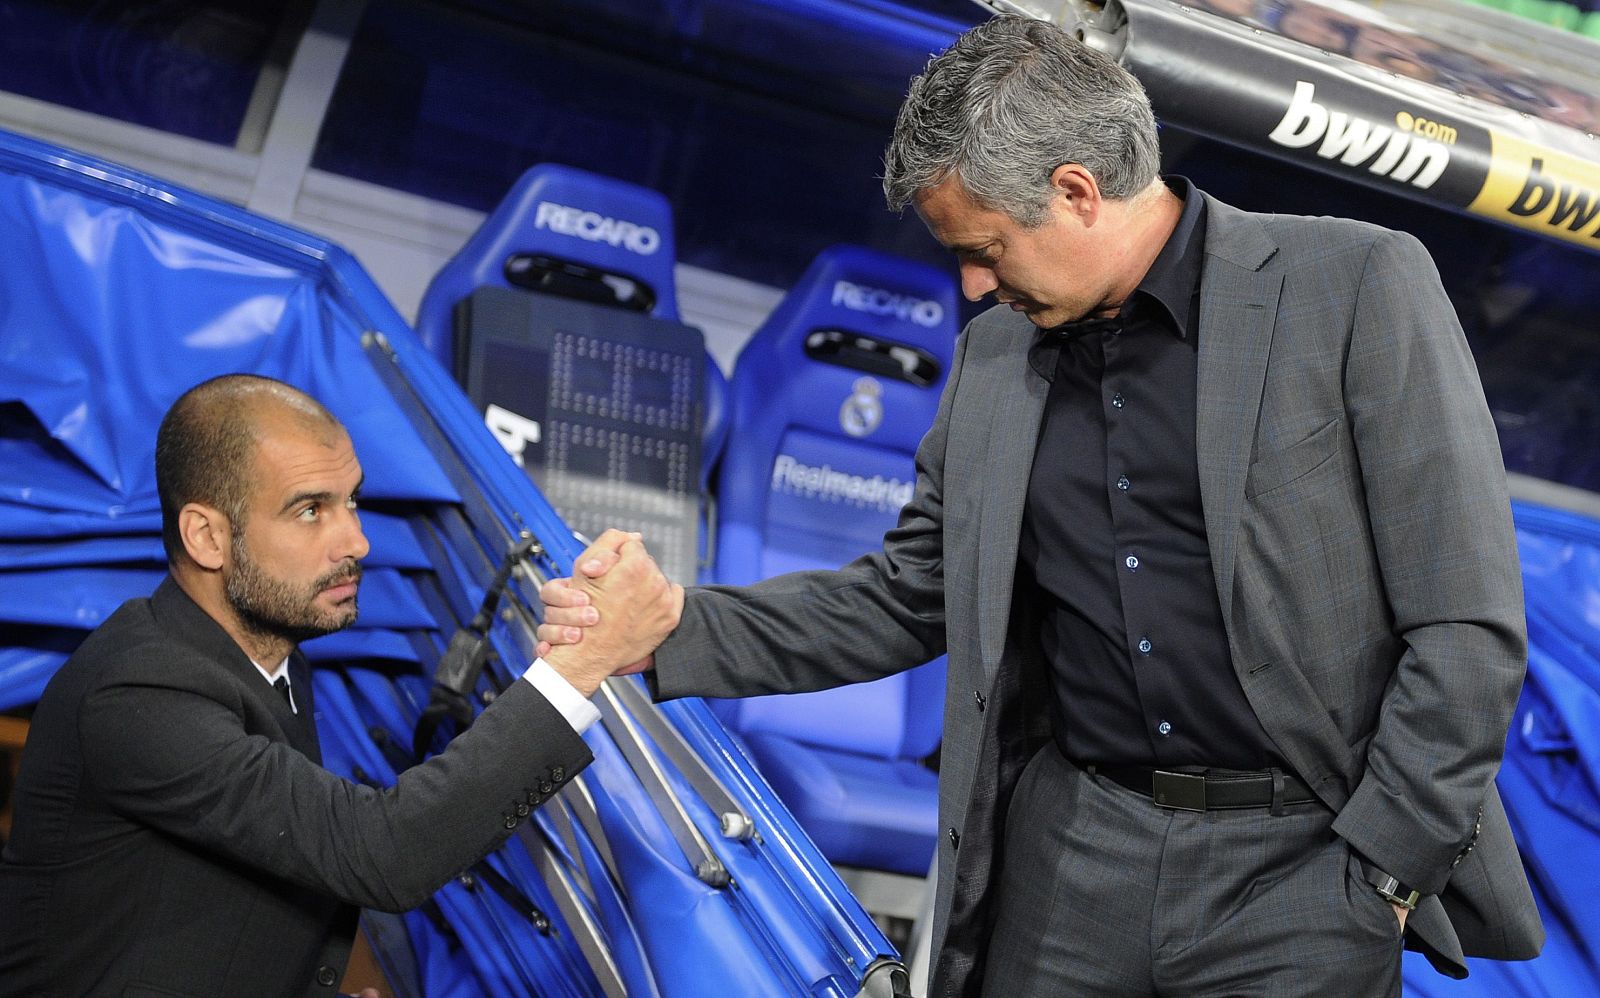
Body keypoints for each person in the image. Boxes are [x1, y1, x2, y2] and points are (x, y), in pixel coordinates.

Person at [538, 15, 1543, 997]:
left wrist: (1379, 875)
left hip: (1304, 873)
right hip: (1074, 860)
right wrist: (668, 627)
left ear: (1075, 191)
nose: (973, 289)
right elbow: (908, 595)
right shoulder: (994, 357)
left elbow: (1466, 624)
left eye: (986, 249)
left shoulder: (1355, 284)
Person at [0, 374, 679, 996]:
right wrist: (580, 667)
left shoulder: (273, 658)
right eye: (309, 511)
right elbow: (380, 853)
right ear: (206, 536)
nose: (356, 540)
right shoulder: (140, 693)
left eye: (351, 501)